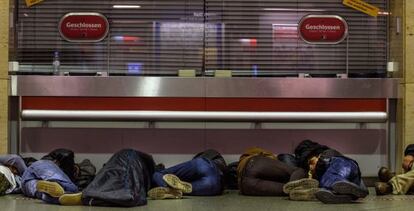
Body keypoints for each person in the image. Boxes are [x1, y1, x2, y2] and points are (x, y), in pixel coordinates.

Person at [56, 149, 155, 207]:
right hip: (137, 167)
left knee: (124, 160)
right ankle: (92, 197)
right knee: (118, 172)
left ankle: (90, 197)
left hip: (132, 163)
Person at [292, 139, 368, 204]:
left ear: (317, 154)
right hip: (352, 179)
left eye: (311, 162)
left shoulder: (326, 155)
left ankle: (338, 185)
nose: (311, 167)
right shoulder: (320, 171)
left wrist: (311, 176)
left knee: (328, 178)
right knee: (326, 181)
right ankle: (343, 196)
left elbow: (340, 166)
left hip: (344, 167)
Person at [237, 147, 316, 199]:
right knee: (298, 170)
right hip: (254, 164)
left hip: (245, 186)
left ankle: (296, 190)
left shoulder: (246, 157)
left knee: (286, 190)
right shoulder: (260, 154)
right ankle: (301, 188)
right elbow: (272, 159)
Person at [148, 149, 225, 199]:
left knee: (157, 174)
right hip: (215, 185)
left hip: (203, 165)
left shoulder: (204, 157)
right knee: (192, 187)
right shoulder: (221, 164)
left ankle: (167, 188)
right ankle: (175, 189)